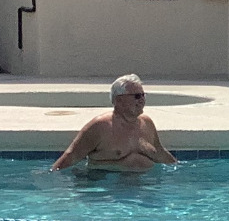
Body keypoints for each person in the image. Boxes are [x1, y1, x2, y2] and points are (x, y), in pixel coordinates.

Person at [50, 73, 178, 172]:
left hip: (145, 187)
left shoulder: (147, 123)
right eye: (137, 96)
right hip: (108, 190)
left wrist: (178, 169)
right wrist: (53, 178)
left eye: (143, 95)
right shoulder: (100, 126)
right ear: (119, 100)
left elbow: (160, 152)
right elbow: (71, 156)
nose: (142, 100)